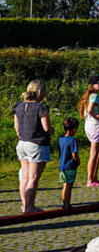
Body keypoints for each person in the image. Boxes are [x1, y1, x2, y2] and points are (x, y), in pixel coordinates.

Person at [14, 80, 54, 214]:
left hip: (22, 143)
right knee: (33, 178)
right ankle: (30, 206)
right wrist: (52, 131)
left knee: (25, 177)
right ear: (40, 91)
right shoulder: (41, 107)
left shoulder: (18, 106)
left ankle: (24, 205)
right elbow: (46, 128)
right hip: (37, 144)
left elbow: (16, 127)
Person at [78, 75, 99, 187]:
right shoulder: (94, 95)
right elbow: (90, 109)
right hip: (95, 125)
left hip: (90, 125)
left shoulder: (88, 95)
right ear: (92, 85)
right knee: (94, 153)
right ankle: (90, 179)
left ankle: (94, 176)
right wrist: (96, 117)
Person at [58, 117, 80, 210]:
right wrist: (78, 161)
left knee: (64, 185)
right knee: (68, 186)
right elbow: (74, 154)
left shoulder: (60, 139)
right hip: (70, 166)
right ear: (74, 129)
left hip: (62, 165)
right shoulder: (72, 140)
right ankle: (67, 205)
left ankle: (64, 203)